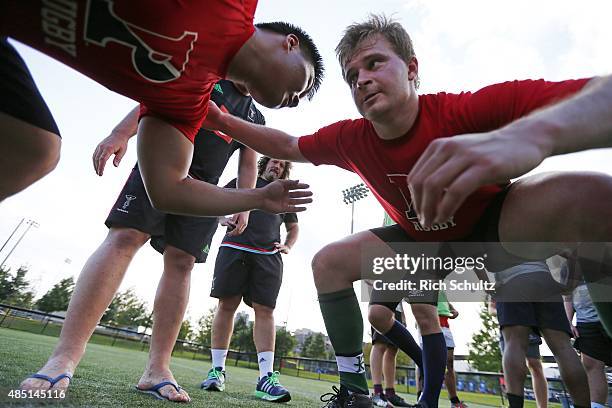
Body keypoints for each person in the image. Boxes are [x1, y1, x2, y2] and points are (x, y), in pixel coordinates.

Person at [203, 14, 612, 408]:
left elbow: (600, 94)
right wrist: (221, 118)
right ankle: (355, 391)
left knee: (594, 195)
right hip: (422, 245)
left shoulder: (463, 112)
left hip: (494, 231)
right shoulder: (352, 138)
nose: (361, 79)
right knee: (329, 263)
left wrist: (535, 133)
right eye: (351, 75)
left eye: (374, 62)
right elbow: (289, 145)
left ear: (412, 69)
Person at [19, 80, 263, 401]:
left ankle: (157, 369)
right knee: (126, 236)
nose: (286, 96)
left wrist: (244, 204)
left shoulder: (256, 117)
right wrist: (120, 133)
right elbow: (152, 102)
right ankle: (63, 358)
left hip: (206, 189)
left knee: (182, 262)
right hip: (160, 162)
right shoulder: (208, 76)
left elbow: (248, 163)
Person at [1, 2, 324, 217]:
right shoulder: (232, 6)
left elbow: (169, 190)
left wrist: (257, 198)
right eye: (306, 82)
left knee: (35, 149)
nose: (297, 99)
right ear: (290, 43)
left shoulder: (187, 100)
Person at [200, 157, 298, 403]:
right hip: (234, 247)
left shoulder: (284, 193)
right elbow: (214, 201)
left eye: (282, 165)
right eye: (274, 162)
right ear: (264, 164)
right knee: (226, 305)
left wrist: (287, 245)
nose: (277, 166)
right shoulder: (244, 181)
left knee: (265, 311)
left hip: (268, 255)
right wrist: (220, 218)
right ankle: (217, 371)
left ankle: (265, 378)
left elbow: (294, 227)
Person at [493, 261, 590, 408]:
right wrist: (569, 284)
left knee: (514, 343)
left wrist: (485, 284)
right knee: (563, 347)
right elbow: (570, 252)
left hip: (511, 281)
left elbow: (475, 255)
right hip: (544, 279)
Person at [491, 299, 549, 408]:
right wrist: (504, 312)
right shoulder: (498, 287)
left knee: (534, 363)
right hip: (508, 325)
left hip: (528, 323)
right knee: (511, 368)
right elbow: (491, 308)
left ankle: (543, 406)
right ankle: (514, 404)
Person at [565, 275, 612, 408]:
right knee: (591, 364)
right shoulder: (569, 265)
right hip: (586, 320)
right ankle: (596, 406)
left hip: (609, 313)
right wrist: (568, 321)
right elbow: (568, 295)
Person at [370, 303, 412, 407]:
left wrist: (402, 315)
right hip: (382, 303)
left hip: (396, 309)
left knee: (393, 349)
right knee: (380, 344)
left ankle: (390, 393)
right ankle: (377, 392)